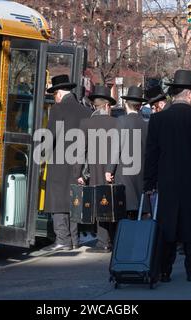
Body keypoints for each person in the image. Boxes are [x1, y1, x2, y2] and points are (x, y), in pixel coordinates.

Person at [144, 69, 191, 282]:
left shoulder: (158, 120)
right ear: (188, 94)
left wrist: (149, 182)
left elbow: (152, 154)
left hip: (167, 182)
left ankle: (164, 270)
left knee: (168, 227)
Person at [43, 74, 92, 251]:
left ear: (59, 93)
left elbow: (50, 137)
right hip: (79, 163)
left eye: (54, 93)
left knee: (58, 202)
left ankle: (62, 239)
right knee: (73, 201)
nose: (54, 97)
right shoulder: (85, 111)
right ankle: (75, 240)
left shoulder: (58, 109)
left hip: (59, 163)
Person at [74, 85, 119, 253]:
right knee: (114, 206)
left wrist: (78, 174)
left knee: (100, 206)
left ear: (95, 105)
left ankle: (102, 242)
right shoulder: (117, 123)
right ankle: (114, 241)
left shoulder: (86, 123)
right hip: (114, 171)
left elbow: (80, 151)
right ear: (107, 106)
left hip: (94, 171)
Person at [106, 86, 148, 220]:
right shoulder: (146, 123)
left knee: (124, 210)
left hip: (124, 173)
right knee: (138, 210)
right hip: (140, 173)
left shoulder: (122, 121)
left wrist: (109, 170)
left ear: (126, 104)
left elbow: (116, 147)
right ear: (140, 106)